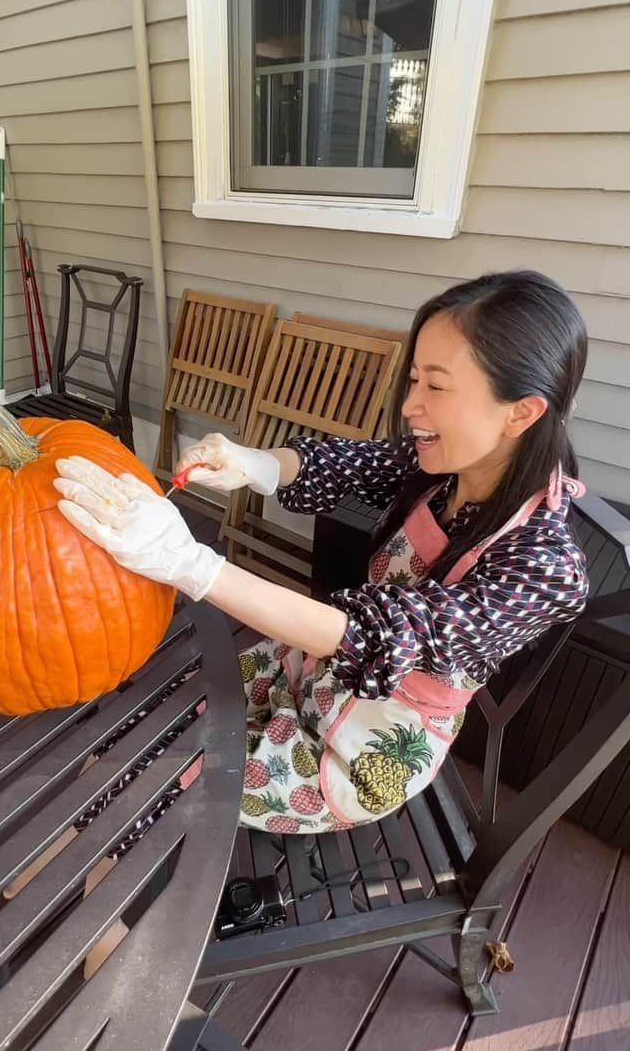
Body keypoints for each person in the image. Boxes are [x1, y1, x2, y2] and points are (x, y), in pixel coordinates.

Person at [54, 270, 589, 838]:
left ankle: (99, 903)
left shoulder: (544, 569)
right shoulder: (442, 466)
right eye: (413, 380)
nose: (410, 406)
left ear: (521, 412)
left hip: (358, 751)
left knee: (154, 782)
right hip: (310, 672)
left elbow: (376, 636)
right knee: (156, 718)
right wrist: (255, 464)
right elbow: (345, 463)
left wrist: (190, 563)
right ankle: (80, 846)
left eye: (436, 386)